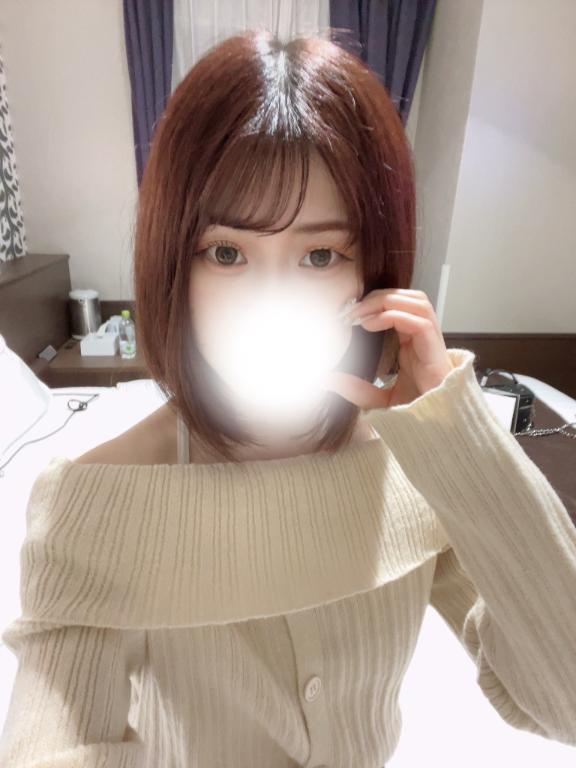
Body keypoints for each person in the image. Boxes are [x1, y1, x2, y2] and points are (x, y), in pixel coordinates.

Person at [2, 29, 575, 768]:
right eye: (227, 252)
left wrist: (460, 438)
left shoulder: (419, 466)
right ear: (176, 267)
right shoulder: (93, 503)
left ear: (374, 273)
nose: (270, 299)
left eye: (320, 254)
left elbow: (562, 702)